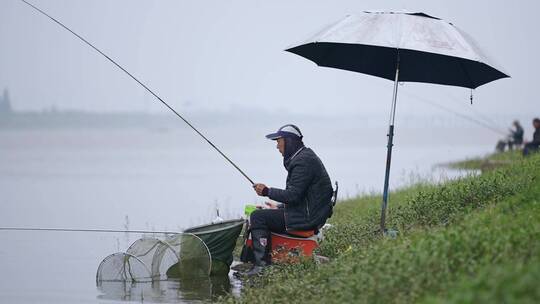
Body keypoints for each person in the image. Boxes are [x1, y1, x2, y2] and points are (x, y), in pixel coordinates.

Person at [246, 124, 333, 276]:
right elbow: (300, 196)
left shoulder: (303, 162)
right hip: (308, 213)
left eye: (278, 141)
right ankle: (263, 260)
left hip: (307, 219)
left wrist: (267, 191)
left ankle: (261, 267)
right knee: (267, 212)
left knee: (257, 217)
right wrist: (279, 206)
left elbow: (293, 195)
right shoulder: (304, 157)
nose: (277, 146)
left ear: (289, 141)